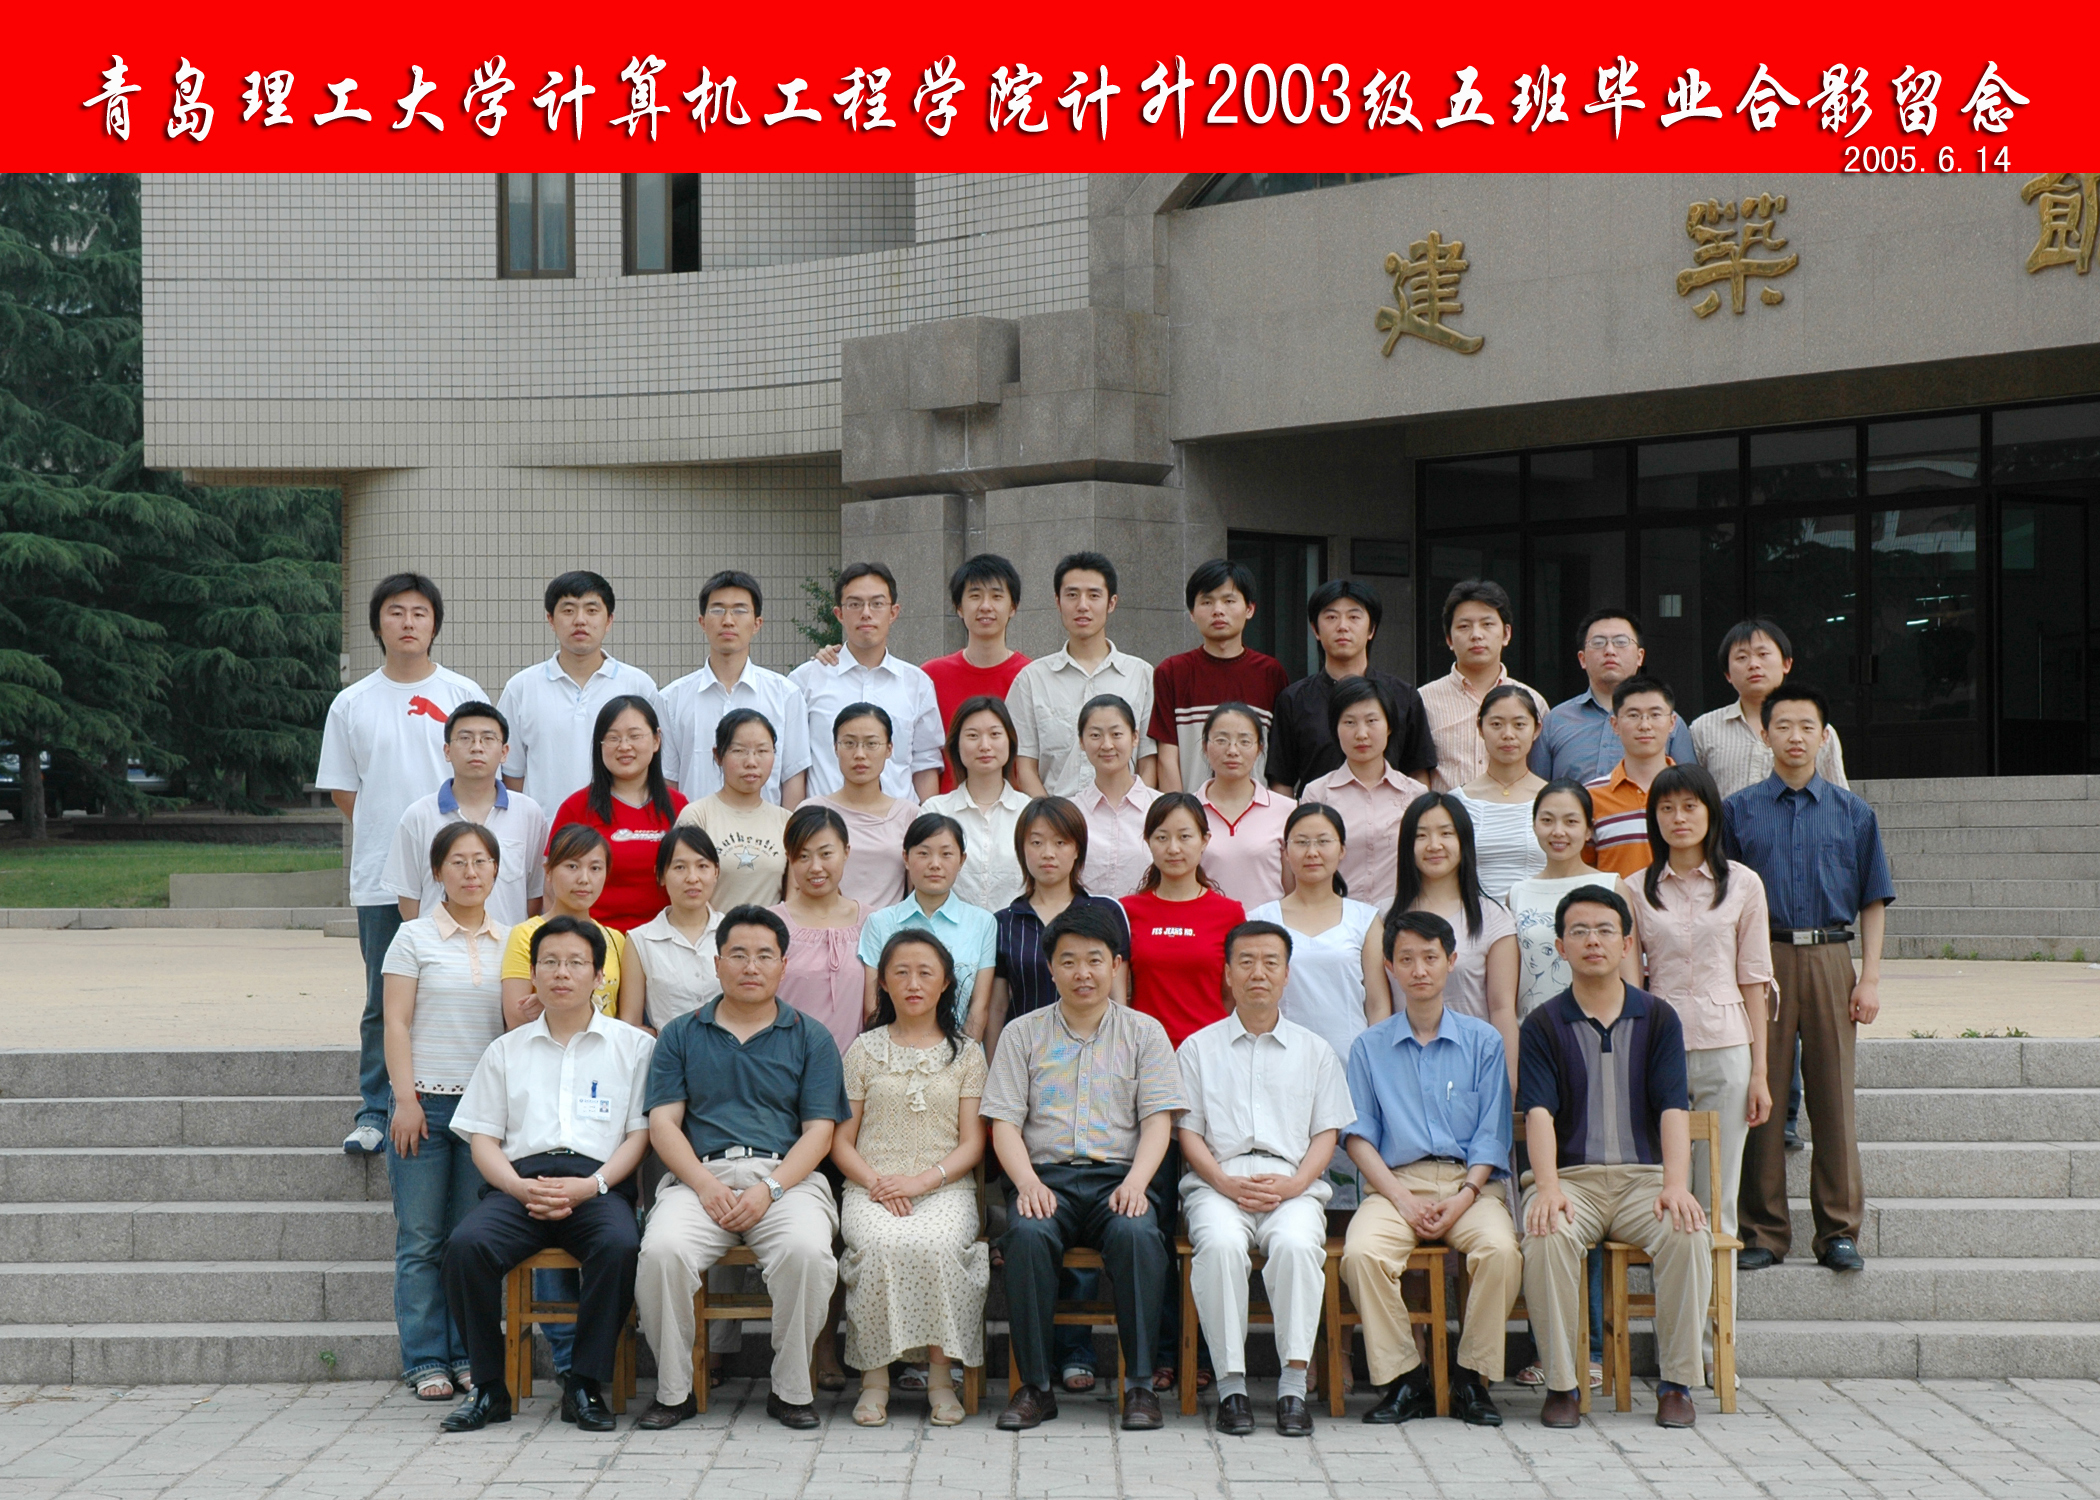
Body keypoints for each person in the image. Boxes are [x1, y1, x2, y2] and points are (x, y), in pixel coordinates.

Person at [633, 906, 854, 1432]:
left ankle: (790, 1390)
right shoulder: (681, 1034)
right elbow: (663, 1124)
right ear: (717, 963)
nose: (750, 966)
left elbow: (819, 1133)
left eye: (763, 956)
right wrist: (704, 1184)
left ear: (783, 965)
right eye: (737, 955)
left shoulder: (811, 1036)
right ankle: (675, 1391)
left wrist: (770, 1188)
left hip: (787, 1180)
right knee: (661, 1253)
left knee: (808, 1253)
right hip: (699, 1180)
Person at [437, 915, 656, 1434]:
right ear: (532, 974)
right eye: (550, 962)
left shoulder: (633, 1046)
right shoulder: (506, 1049)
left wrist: (592, 1186)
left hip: (597, 1185)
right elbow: (483, 1140)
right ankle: (489, 1388)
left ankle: (584, 1384)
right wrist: (516, 1187)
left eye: (576, 962)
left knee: (620, 1245)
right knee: (465, 1248)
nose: (562, 973)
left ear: (599, 976)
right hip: (520, 1187)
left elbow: (639, 1135)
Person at [980, 903, 1185, 1432]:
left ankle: (1140, 1386)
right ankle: (1035, 1386)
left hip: (1119, 1178)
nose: (1082, 973)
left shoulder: (1145, 1033)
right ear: (1050, 968)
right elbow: (1004, 1123)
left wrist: (1137, 1183)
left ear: (1116, 965)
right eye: (1068, 961)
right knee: (1026, 1236)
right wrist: (1026, 1183)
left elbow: (1158, 1122)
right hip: (1045, 1179)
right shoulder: (1022, 1034)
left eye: (1095, 960)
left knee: (1139, 1236)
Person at [1518, 885, 1712, 1430]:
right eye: (1579, 931)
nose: (1593, 941)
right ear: (1560, 946)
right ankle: (1563, 1384)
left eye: (1605, 930)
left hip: (1643, 1181)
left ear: (1627, 943)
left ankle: (1676, 1385)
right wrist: (1548, 1187)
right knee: (1545, 1234)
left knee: (1687, 1232)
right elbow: (1538, 1113)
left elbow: (1673, 1107)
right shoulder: (1542, 1024)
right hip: (1572, 1181)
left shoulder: (1659, 1018)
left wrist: (1676, 1185)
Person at [1724, 685, 1893, 1276]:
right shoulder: (1738, 812)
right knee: (1761, 1096)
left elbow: (1873, 899)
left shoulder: (1854, 813)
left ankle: (1839, 1231)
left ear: (1824, 737)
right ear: (1764, 734)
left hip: (1829, 957)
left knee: (1833, 1098)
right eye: (1783, 726)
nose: (1795, 737)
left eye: (1807, 727)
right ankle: (1763, 1231)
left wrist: (1869, 978)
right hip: (1760, 961)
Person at [317, 572, 485, 1156]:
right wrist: (399, 840)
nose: (408, 622)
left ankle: (477, 1104)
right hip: (379, 879)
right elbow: (345, 790)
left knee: (468, 987)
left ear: (435, 624)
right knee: (383, 999)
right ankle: (374, 1110)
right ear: (378, 624)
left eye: (419, 612)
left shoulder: (462, 693)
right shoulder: (352, 703)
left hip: (460, 876)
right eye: (396, 612)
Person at [1339, 910, 1519, 1428]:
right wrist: (1401, 1198)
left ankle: (1470, 1379)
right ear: (1389, 967)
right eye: (1406, 959)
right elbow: (1358, 1136)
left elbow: (1492, 1134)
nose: (1419, 970)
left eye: (1430, 958)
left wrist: (1464, 1197)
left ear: (1451, 961)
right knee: (1362, 1254)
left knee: (1500, 1251)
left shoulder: (1484, 1041)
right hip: (1396, 1184)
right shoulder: (1369, 1047)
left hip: (1470, 1185)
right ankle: (1406, 1380)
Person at [1177, 920, 1355, 1437]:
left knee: (1298, 1246)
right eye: (1247, 961)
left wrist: (1297, 1185)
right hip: (1218, 1182)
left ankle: (1292, 1389)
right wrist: (1224, 1183)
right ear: (1228, 973)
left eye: (1271, 962)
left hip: (1292, 1183)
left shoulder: (1315, 1051)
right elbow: (1188, 1133)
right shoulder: (1197, 1049)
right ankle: (1231, 1389)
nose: (1259, 972)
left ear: (1286, 973)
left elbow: (1326, 1133)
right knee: (1220, 1247)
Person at [987, 795, 1131, 1391]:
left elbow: (1121, 999)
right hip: (1031, 1078)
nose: (1048, 853)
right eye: (1036, 842)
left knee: (1087, 1199)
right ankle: (1038, 1359)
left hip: (1097, 1076)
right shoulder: (1006, 920)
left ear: (1078, 849)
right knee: (1037, 1209)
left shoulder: (1104, 912)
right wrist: (996, 1079)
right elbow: (997, 1007)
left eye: (1061, 842)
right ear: (1021, 849)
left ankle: (1076, 1350)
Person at [833, 932, 990, 1428]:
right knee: (879, 1245)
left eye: (926, 972)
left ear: (946, 983)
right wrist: (879, 1183)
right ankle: (874, 1382)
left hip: (944, 1187)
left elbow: (973, 1143)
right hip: (871, 1187)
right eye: (901, 972)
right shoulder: (863, 1050)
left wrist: (922, 1182)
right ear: (883, 983)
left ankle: (942, 1382)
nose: (913, 983)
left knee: (939, 1246)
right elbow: (840, 1141)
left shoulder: (967, 1054)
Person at [1639, 765, 1773, 1337]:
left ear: (1711, 813)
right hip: (1659, 1053)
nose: (1679, 818)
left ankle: (1718, 1348)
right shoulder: (1635, 889)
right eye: (1667, 808)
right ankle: (1678, 1342)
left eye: (1690, 806)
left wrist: (1760, 1072)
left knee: (1718, 1202)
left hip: (1726, 1048)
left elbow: (1754, 979)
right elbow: (1633, 987)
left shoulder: (1743, 884)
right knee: (1669, 1202)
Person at [380, 822, 508, 1403]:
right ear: (437, 872)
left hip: (483, 1113)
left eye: (481, 861)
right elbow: (396, 1022)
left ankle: (466, 1355)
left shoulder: (513, 940)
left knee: (468, 1241)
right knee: (422, 1239)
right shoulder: (412, 937)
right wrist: (405, 1099)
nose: (470, 872)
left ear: (496, 870)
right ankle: (425, 1358)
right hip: (425, 1105)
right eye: (458, 861)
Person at [1249, 803, 1381, 1209]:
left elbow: (1378, 1002)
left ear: (1342, 850)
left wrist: (1375, 1069)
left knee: (1351, 1191)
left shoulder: (1365, 919)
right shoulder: (1261, 919)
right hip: (1279, 1067)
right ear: (1285, 850)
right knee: (1287, 1186)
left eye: (1323, 841)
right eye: (1301, 842)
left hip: (1350, 1067)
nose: (1312, 852)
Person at [1364, 793, 1518, 1080]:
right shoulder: (1382, 917)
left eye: (1446, 833)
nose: (1434, 845)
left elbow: (1502, 1009)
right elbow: (1379, 1007)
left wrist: (1507, 1087)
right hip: (1404, 1070)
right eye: (1421, 836)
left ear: (1463, 841)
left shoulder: (1493, 917)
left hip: (1473, 1067)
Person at [497, 571, 662, 812]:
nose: (580, 620)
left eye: (591, 610)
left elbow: (656, 766)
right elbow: (512, 773)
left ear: (609, 620)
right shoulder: (521, 688)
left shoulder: (638, 685)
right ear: (551, 620)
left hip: (619, 829)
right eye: (568, 610)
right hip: (546, 831)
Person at [384, 701, 549, 927]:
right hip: (438, 947)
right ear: (447, 751)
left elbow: (534, 895)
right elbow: (409, 900)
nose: (477, 747)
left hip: (506, 945)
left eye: (488, 738)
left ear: (504, 752)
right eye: (465, 738)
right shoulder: (418, 816)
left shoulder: (529, 814)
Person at [1266, 579, 1437, 797]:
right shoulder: (1293, 699)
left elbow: (1418, 772)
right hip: (1318, 815)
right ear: (1315, 629)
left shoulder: (1403, 696)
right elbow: (1282, 780)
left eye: (1354, 617)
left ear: (1371, 629)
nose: (1342, 626)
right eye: (1331, 617)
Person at [1010, 551, 1158, 798]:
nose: (1082, 605)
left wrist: (1136, 810)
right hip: (1056, 815)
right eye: (1072, 595)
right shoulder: (1031, 680)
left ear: (1111, 603)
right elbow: (1024, 767)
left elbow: (1148, 761)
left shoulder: (1142, 675)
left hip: (1127, 814)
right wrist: (1052, 816)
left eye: (1094, 595)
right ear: (1058, 602)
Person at [792, 563, 943, 802]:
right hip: (825, 820)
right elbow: (794, 765)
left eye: (877, 604)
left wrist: (927, 820)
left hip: (899, 822)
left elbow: (925, 764)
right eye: (854, 604)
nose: (866, 613)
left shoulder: (917, 684)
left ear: (893, 612)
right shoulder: (806, 680)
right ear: (839, 614)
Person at [660, 570, 812, 807]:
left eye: (740, 610)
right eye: (717, 610)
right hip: (693, 829)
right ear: (702, 622)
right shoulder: (672, 699)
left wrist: (786, 830)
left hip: (766, 829)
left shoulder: (786, 695)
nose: (728, 620)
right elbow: (669, 780)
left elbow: (793, 778)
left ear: (757, 623)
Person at [548, 696, 688, 932]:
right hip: (594, 940)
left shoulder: (680, 806)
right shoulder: (576, 807)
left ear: (656, 740)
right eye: (613, 738)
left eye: (635, 736)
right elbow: (552, 889)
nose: (624, 746)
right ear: (600, 745)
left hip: (664, 940)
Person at [1151, 559, 1290, 792]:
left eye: (1229, 601)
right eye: (1207, 602)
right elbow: (1167, 757)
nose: (1218, 610)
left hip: (1258, 809)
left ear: (1249, 609)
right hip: (1192, 809)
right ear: (1192, 613)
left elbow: (1279, 759)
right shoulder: (1172, 672)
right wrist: (1179, 809)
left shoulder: (1270, 673)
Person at [1122, 792, 1247, 1051]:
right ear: (1147, 841)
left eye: (1185, 836)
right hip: (1145, 1052)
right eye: (1162, 837)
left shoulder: (1229, 913)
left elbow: (1231, 993)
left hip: (1210, 1053)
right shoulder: (1127, 911)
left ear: (1205, 840)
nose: (1173, 848)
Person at [858, 813, 998, 1040]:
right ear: (906, 858)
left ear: (961, 860)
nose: (935, 864)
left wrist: (961, 1055)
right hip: (893, 1051)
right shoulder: (880, 922)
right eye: (923, 853)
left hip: (961, 1052)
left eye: (946, 854)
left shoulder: (983, 923)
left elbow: (979, 1007)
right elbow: (873, 1005)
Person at [1509, 782, 1642, 1021]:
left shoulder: (1611, 886)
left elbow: (1630, 976)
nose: (1558, 832)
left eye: (1571, 821)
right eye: (1547, 821)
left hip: (1602, 1028)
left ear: (1588, 829)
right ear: (1534, 825)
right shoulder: (1518, 893)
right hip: (1534, 1029)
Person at [1296, 677, 1430, 911]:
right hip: (1336, 917)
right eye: (1349, 722)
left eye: (1371, 721)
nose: (1361, 734)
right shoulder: (1317, 793)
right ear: (1335, 728)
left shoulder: (1415, 794)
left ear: (1389, 726)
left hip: (1400, 917)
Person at [1530, 610, 1697, 785]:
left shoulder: (1665, 720)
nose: (1610, 651)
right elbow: (1536, 790)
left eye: (1621, 642)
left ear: (1640, 656)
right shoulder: (1555, 721)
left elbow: (1688, 787)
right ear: (1582, 658)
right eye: (1598, 643)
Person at [1690, 618, 1848, 798]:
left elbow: (1839, 800)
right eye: (1742, 657)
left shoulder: (1816, 730)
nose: (1753, 664)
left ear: (1786, 664)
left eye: (1763, 654)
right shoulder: (1704, 728)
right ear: (1728, 674)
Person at [1418, 579, 1545, 794]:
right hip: (1447, 814)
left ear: (1506, 634)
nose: (1476, 635)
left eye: (1487, 624)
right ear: (1449, 639)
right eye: (1464, 626)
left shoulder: (1533, 701)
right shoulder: (1423, 701)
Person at [500, 823, 634, 1027]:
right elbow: (515, 1018)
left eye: (595, 868)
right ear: (548, 871)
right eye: (572, 866)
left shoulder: (615, 939)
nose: (584, 879)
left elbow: (625, 1021)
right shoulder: (526, 934)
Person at [921, 554, 1031, 794]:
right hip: (946, 811)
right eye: (975, 596)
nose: (985, 606)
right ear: (959, 607)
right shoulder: (929, 677)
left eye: (997, 596)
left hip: (1015, 811)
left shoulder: (1031, 677)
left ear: (1013, 607)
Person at [771, 804, 869, 1058]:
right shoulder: (770, 924)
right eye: (803, 856)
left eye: (826, 854)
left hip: (854, 1071)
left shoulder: (871, 922)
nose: (815, 867)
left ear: (846, 852)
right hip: (785, 1066)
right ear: (789, 858)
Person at [674, 708, 791, 912]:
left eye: (762, 751)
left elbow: (794, 895)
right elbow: (683, 885)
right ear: (718, 755)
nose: (751, 762)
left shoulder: (787, 821)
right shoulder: (697, 816)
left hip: (769, 931)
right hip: (711, 932)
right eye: (739, 751)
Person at [808, 703, 920, 910]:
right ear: (835, 748)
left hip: (889, 927)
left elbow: (916, 893)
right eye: (849, 743)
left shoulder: (909, 814)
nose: (859, 754)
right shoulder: (811, 810)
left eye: (871, 744)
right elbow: (796, 889)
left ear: (889, 749)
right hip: (824, 924)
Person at [923, 696, 1030, 911]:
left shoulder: (1029, 812)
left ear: (1010, 741)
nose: (985, 746)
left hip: (1015, 929)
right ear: (956, 745)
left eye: (995, 734)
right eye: (973, 736)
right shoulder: (936, 810)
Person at [1193, 703, 1295, 908]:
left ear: (1259, 748)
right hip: (1207, 924)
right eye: (1221, 740)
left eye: (1244, 741)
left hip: (1267, 925)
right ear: (1205, 746)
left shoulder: (1287, 811)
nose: (1232, 750)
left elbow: (1293, 889)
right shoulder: (1188, 811)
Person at [627, 825, 725, 1031]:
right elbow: (631, 1026)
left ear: (716, 872)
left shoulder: (733, 932)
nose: (692, 878)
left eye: (702, 866)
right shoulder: (640, 940)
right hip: (669, 1050)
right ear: (660, 875)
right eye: (680, 867)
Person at [1456, 685, 1549, 901]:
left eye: (1519, 725)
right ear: (1480, 728)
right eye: (1496, 724)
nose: (1508, 735)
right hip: (1475, 916)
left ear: (1536, 729)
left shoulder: (1553, 799)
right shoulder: (1459, 800)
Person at [1584, 676, 1679, 878]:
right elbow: (1583, 869)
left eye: (1655, 714)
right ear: (1615, 724)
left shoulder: (1692, 792)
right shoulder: (1590, 796)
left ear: (1672, 723)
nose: (1645, 725)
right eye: (1633, 715)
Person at [1072, 693, 1162, 899]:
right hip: (1086, 918)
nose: (1107, 745)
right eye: (1095, 735)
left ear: (1135, 737)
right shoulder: (1071, 812)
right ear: (1082, 742)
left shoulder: (1160, 808)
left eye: (1116, 734)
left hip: (1147, 917)